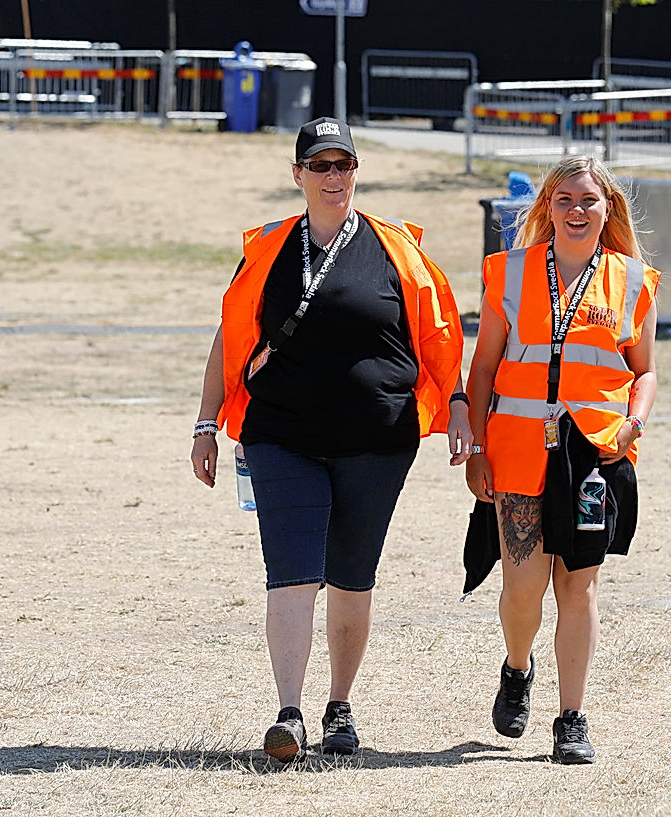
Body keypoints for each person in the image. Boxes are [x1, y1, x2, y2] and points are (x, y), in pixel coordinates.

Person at [190, 116, 472, 762]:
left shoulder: (396, 247)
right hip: (281, 435)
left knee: (351, 575)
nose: (333, 176)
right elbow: (230, 338)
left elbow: (439, 334)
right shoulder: (267, 249)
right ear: (297, 176)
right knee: (291, 571)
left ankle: (339, 704)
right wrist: (207, 423)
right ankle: (289, 711)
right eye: (320, 165)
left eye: (343, 164)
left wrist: (456, 402)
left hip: (378, 439)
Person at [462, 155, 659, 765]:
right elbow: (485, 369)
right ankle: (517, 667)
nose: (577, 210)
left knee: (579, 588)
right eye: (565, 200)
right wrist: (474, 447)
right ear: (547, 207)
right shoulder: (509, 272)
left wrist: (634, 425)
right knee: (524, 590)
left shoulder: (633, 280)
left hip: (594, 456)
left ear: (608, 210)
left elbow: (644, 371)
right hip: (518, 451)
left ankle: (572, 718)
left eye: (589, 201)